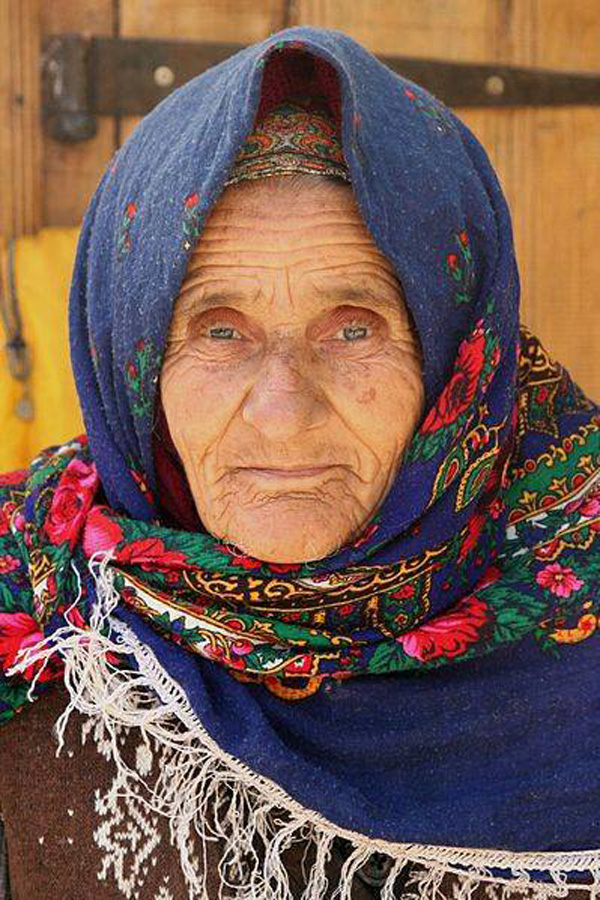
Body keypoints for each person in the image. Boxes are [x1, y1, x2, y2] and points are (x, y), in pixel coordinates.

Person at [0, 27, 598, 900]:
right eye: (218, 329)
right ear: (130, 363)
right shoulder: (36, 609)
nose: (282, 412)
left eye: (354, 326)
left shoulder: (571, 563)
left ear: (457, 357)